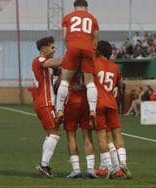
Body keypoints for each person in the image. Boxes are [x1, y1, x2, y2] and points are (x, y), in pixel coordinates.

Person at [56, 0, 99, 127]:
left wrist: (70, 48)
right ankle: (92, 110)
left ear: (75, 7)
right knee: (90, 82)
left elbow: (64, 36)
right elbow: (95, 39)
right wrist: (92, 51)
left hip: (73, 46)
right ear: (86, 7)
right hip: (88, 48)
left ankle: (59, 109)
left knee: (65, 80)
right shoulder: (93, 19)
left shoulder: (67, 17)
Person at [93, 40, 132, 178]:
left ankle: (108, 167)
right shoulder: (115, 67)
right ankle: (123, 163)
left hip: (98, 103)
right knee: (117, 135)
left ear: (98, 51)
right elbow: (118, 84)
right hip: (112, 103)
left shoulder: (93, 63)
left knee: (102, 137)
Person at [29, 36, 62, 178]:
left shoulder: (46, 65)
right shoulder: (39, 60)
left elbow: (58, 69)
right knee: (55, 133)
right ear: (43, 49)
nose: (54, 49)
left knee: (51, 134)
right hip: (45, 102)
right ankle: (43, 165)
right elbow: (58, 62)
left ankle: (44, 165)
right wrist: (74, 52)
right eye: (52, 47)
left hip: (44, 102)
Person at [55, 72, 97, 179]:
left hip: (71, 102)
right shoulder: (86, 66)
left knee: (71, 136)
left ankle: (76, 170)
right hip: (86, 102)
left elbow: (59, 85)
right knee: (87, 137)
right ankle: (90, 169)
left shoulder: (70, 66)